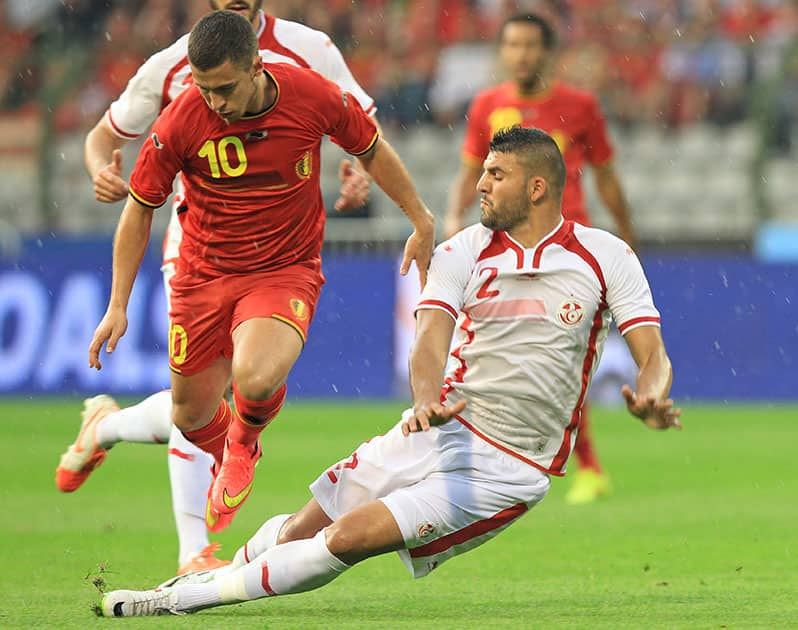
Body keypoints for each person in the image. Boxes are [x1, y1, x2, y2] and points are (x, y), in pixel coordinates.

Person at [97, 126, 682, 618]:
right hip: (435, 429)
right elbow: (429, 341)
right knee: (305, 527)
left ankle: (177, 603)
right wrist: (425, 398)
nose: (479, 184)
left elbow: (651, 354)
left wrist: (652, 396)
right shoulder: (461, 252)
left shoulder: (606, 257)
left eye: (495, 175)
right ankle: (202, 580)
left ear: (536, 187)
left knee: (347, 539)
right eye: (482, 171)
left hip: (510, 466)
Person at [85, 8, 434, 568]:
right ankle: (213, 439)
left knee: (255, 374)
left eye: (225, 88)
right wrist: (118, 304)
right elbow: (140, 208)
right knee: (190, 414)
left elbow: (369, 146)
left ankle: (241, 449)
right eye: (204, 89)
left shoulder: (309, 91)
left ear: (256, 65)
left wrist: (420, 217)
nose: (215, 102)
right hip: (201, 274)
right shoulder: (182, 118)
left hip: (283, 268)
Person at [445, 13, 637, 505]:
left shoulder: (579, 105)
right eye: (513, 45)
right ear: (502, 52)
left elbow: (606, 176)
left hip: (568, 251)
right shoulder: (489, 105)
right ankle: (518, 456)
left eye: (531, 45)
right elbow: (473, 172)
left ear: (547, 52)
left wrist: (626, 232)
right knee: (524, 357)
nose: (522, 54)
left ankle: (580, 464)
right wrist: (451, 220)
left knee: (564, 352)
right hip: (508, 249)